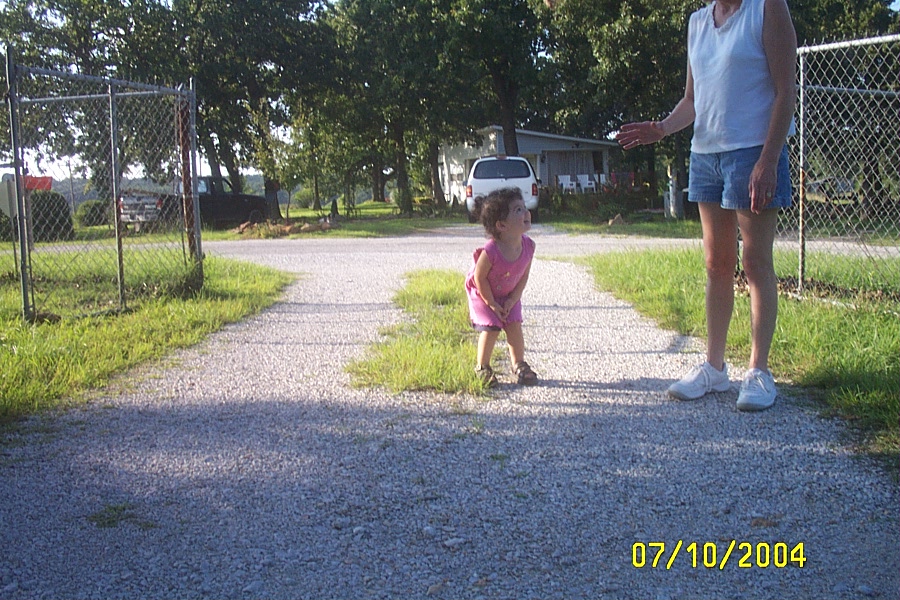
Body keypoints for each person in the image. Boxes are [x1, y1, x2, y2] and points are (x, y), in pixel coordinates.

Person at [616, 0, 797, 411]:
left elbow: (787, 90)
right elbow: (692, 100)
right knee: (716, 263)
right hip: (706, 156)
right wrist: (661, 128)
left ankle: (759, 372)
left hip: (753, 151)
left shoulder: (767, 8)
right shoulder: (697, 22)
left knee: (755, 263)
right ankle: (715, 368)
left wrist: (768, 160)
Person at [465, 187, 539, 387]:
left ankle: (519, 364)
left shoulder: (529, 246)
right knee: (492, 328)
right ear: (502, 225)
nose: (526, 213)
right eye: (517, 210)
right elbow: (479, 278)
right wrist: (490, 303)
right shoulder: (490, 251)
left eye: (524, 208)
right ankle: (482, 367)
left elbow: (523, 276)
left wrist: (513, 299)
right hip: (483, 294)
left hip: (509, 294)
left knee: (514, 325)